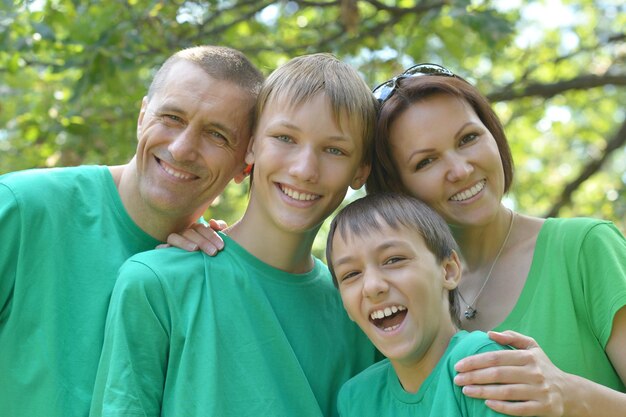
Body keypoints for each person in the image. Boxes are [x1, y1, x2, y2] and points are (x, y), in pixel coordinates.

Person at [88, 53, 380, 417]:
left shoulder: (359, 309)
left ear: (361, 170)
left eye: (334, 150)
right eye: (285, 138)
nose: (305, 169)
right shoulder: (158, 283)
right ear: (252, 146)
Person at [0, 45, 264, 417]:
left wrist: (187, 271)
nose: (182, 147)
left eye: (217, 135)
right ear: (142, 117)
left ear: (246, 167)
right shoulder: (21, 207)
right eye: (171, 117)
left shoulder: (211, 273)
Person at [366, 63, 626, 416]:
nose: (460, 170)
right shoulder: (393, 304)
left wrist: (569, 393)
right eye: (426, 161)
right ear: (395, 189)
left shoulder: (585, 249)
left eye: (468, 139)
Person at [326, 192, 514, 416]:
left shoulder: (480, 362)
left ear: (448, 270)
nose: (372, 286)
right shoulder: (355, 399)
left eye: (394, 260)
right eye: (351, 274)